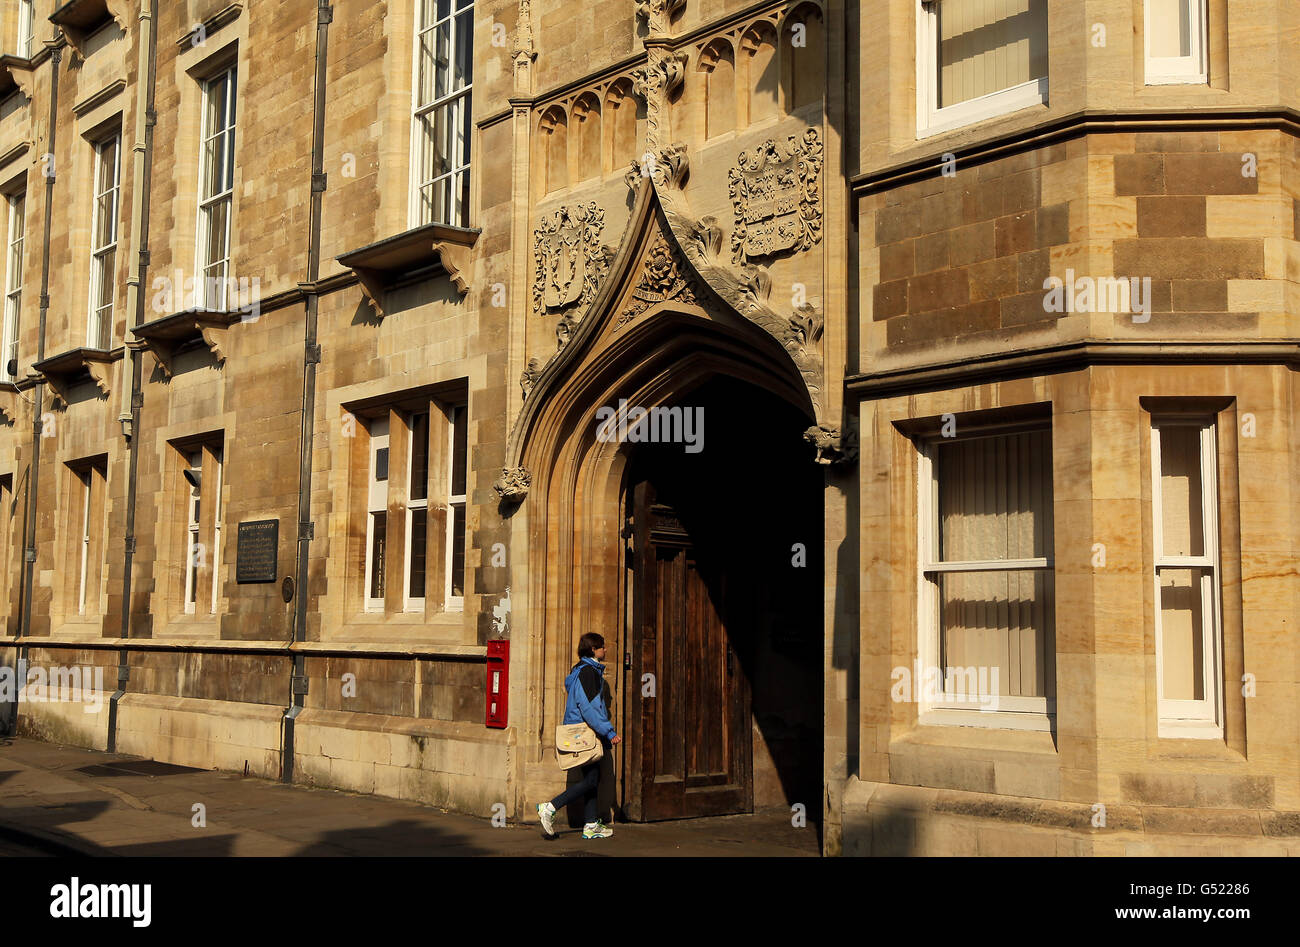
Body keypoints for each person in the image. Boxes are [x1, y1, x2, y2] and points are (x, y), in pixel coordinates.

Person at [537, 632, 622, 840]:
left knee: (592, 778)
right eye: (602, 646)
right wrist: (609, 731)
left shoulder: (581, 670)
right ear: (593, 649)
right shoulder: (588, 673)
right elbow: (590, 707)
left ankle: (591, 824)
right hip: (586, 732)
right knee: (592, 779)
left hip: (583, 731)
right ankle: (550, 806)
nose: (605, 650)